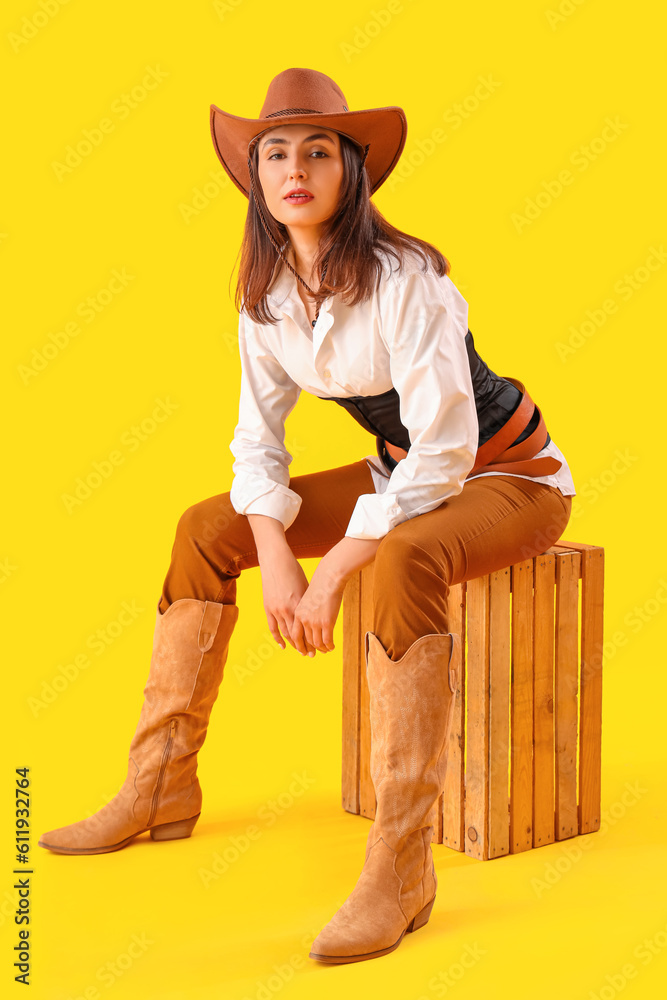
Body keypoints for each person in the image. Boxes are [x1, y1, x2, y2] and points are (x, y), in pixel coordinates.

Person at [39, 68, 575, 965]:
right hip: (401, 473)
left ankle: (400, 870)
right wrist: (275, 555)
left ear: (350, 170)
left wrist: (330, 572)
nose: (295, 170)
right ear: (256, 178)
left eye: (317, 152)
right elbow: (258, 444)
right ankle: (160, 784)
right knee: (203, 527)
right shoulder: (267, 292)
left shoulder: (411, 280)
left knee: (401, 558)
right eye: (274, 154)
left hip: (510, 476)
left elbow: (446, 451)